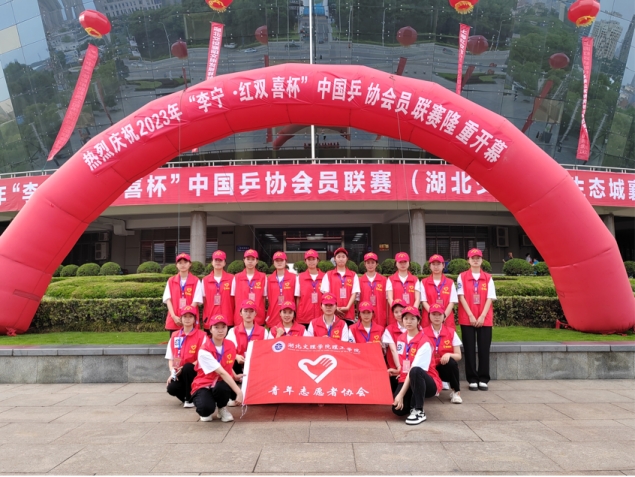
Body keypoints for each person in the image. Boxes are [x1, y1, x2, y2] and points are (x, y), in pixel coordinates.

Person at [390, 306, 442, 425]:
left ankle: (419, 410)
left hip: (427, 381)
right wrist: (399, 371)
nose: (409, 321)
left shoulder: (424, 342)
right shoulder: (401, 338)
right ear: (402, 320)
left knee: (415, 371)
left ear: (418, 321)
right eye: (406, 318)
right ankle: (413, 402)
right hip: (407, 378)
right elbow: (405, 361)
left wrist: (401, 394)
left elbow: (414, 369)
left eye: (412, 318)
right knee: (398, 410)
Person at [190, 314, 243, 422]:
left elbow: (226, 364)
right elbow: (222, 372)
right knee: (206, 412)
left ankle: (222, 408)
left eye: (223, 327)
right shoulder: (204, 350)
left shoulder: (230, 345)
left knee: (222, 387)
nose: (220, 330)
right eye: (216, 327)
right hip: (204, 383)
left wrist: (235, 376)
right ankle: (206, 404)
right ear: (210, 329)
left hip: (220, 383)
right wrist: (239, 392)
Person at [457, 248, 496, 391]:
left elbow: (490, 298)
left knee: (484, 348)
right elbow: (461, 296)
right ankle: (472, 378)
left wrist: (482, 316)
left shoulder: (488, 278)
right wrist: (471, 315)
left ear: (482, 260)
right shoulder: (462, 277)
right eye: (472, 258)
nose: (475, 260)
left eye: (478, 258)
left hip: (484, 318)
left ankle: (484, 378)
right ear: (468, 260)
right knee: (469, 348)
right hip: (467, 317)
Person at [165, 305, 207, 407]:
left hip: (195, 372)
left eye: (190, 316)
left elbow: (203, 357)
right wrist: (173, 373)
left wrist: (183, 368)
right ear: (181, 318)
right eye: (185, 316)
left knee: (188, 367)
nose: (187, 319)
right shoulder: (175, 335)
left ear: (195, 319)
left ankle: (189, 400)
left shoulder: (202, 335)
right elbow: (171, 358)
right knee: (171, 388)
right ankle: (190, 398)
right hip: (179, 372)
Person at [422, 303, 463, 404]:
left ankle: (456, 392)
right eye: (434, 314)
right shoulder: (422, 332)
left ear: (444, 316)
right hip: (429, 367)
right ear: (429, 316)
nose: (437, 317)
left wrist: (449, 354)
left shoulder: (451, 332)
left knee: (452, 363)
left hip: (443, 366)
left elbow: (458, 355)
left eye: (439, 314)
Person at [162, 253, 203, 334]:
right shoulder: (171, 280)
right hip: (175, 318)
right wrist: (173, 316)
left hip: (190, 318)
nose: (183, 265)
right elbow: (168, 299)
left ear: (190, 264)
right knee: (175, 340)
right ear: (176, 265)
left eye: (185, 262)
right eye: (180, 263)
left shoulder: (196, 281)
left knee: (192, 341)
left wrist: (186, 317)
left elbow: (196, 300)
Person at [227, 299, 269, 376]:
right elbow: (227, 349)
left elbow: (267, 351)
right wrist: (236, 356)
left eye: (251, 311)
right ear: (240, 313)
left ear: (255, 313)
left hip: (257, 365)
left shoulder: (263, 331)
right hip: (238, 365)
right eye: (245, 311)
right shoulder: (233, 331)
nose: (248, 314)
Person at [320, 247, 360, 324]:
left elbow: (354, 293)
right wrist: (334, 308)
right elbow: (326, 294)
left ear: (347, 259)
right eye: (338, 257)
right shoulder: (328, 275)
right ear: (335, 259)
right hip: (332, 314)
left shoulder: (353, 275)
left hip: (349, 314)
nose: (341, 259)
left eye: (343, 257)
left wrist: (347, 307)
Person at [421, 254, 458, 329]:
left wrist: (443, 316)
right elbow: (424, 301)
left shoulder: (450, 282)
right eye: (433, 264)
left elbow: (452, 302)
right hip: (429, 318)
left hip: (446, 318)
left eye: (438, 264)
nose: (436, 267)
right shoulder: (424, 282)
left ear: (443, 265)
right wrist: (433, 316)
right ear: (430, 266)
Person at [231, 249, 267, 327]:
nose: (250, 261)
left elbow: (264, 298)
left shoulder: (263, 277)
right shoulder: (237, 277)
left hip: (258, 316)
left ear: (257, 261)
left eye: (253, 259)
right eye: (248, 259)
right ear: (244, 260)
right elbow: (233, 298)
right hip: (240, 317)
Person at [202, 250, 234, 332]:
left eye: (220, 260)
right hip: (210, 318)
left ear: (224, 263)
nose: (218, 262)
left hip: (228, 317)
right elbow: (203, 299)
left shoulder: (231, 278)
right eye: (216, 260)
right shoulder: (205, 280)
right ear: (212, 262)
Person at [266, 251, 300, 329]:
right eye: (277, 261)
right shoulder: (269, 279)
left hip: (289, 315)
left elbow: (297, 298)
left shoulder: (294, 278)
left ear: (286, 262)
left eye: (281, 260)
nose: (279, 262)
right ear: (273, 263)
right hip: (274, 315)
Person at [386, 252, 421, 325]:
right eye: (400, 262)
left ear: (409, 263)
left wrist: (412, 312)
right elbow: (390, 298)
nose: (403, 264)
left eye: (405, 262)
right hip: (396, 316)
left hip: (410, 316)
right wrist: (397, 313)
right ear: (396, 263)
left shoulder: (415, 280)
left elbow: (417, 299)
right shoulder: (390, 279)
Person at [296, 249, 325, 327]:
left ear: (317, 260)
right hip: (304, 317)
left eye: (313, 259)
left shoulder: (324, 277)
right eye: (309, 259)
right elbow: (298, 298)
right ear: (305, 261)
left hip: (321, 315)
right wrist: (298, 314)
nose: (311, 261)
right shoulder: (300, 277)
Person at [358, 252, 388, 327]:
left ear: (376, 264)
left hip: (380, 315)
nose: (370, 265)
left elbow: (387, 300)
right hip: (365, 315)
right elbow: (357, 300)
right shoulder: (360, 280)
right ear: (364, 264)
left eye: (372, 262)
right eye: (368, 263)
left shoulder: (384, 280)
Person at [382, 299, 407, 392]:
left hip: (410, 366)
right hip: (395, 367)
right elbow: (393, 350)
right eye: (396, 312)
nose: (399, 314)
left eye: (401, 311)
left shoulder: (416, 327)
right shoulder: (389, 329)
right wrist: (399, 367)